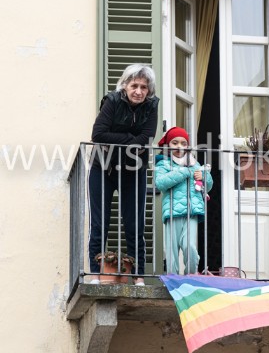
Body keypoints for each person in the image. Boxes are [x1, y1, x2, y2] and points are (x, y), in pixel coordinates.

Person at [88, 64, 159, 284]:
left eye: (143, 87)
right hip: (103, 168)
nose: (138, 91)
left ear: (149, 90)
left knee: (135, 226)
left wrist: (121, 139)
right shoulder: (112, 101)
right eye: (134, 85)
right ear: (125, 85)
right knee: (99, 224)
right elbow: (98, 134)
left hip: (133, 170)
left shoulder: (152, 106)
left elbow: (146, 139)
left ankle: (138, 276)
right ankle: (96, 274)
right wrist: (130, 139)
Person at [155, 127, 213, 275]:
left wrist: (204, 177)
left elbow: (208, 185)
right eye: (175, 143)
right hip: (172, 213)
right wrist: (183, 171)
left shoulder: (195, 164)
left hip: (191, 213)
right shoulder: (163, 164)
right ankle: (172, 279)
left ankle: (191, 276)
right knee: (172, 252)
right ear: (168, 145)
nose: (179, 146)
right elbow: (160, 183)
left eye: (183, 143)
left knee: (190, 247)